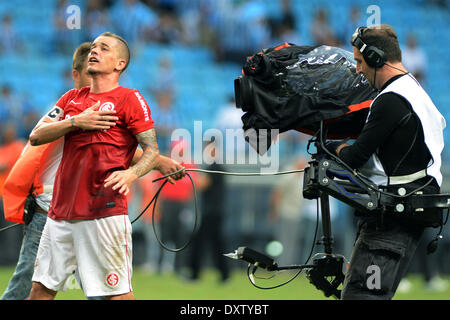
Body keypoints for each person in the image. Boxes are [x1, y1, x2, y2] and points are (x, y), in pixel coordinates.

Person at [28, 32, 185, 300]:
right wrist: (76, 121)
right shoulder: (71, 99)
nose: (94, 51)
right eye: (93, 47)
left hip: (104, 213)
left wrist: (131, 174)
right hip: (60, 212)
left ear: (119, 64)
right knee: (40, 291)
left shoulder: (129, 99)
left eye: (104, 48)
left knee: (118, 296)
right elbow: (35, 136)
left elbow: (150, 151)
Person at [325, 25, 446, 300]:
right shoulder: (411, 89)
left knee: (364, 296)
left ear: (377, 58)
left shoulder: (391, 99)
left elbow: (356, 158)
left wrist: (332, 146)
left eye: (358, 61)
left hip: (392, 216)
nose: (357, 69)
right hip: (406, 209)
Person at [187, 139, 230, 282]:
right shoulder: (217, 167)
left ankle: (195, 274)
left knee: (201, 242)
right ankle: (224, 274)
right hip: (216, 211)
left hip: (211, 212)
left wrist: (190, 172)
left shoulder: (213, 167)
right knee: (217, 243)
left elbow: (201, 185)